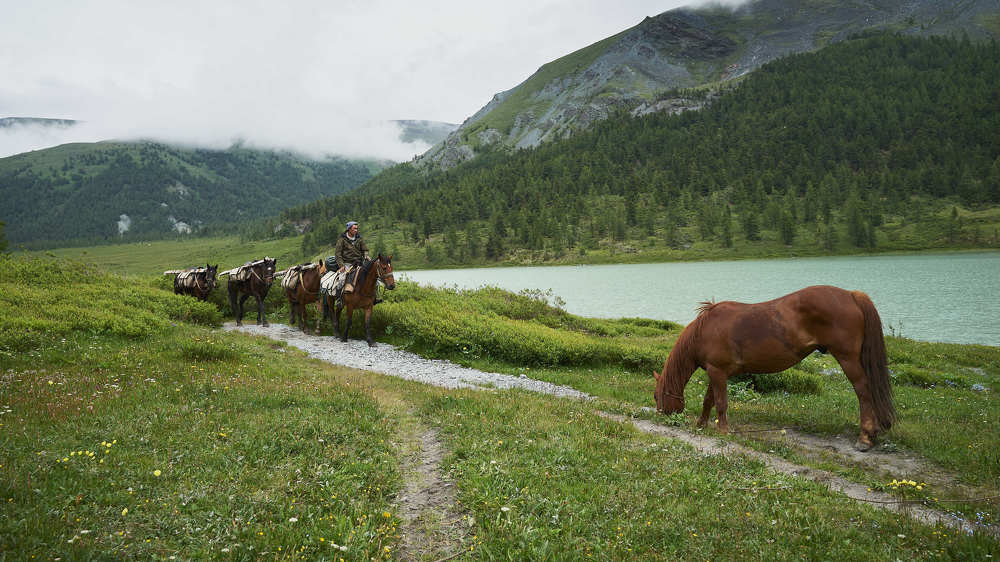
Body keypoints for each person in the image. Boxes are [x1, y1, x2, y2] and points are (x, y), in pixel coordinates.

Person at [334, 221, 369, 294]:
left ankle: (374, 297)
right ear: (349, 229)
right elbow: (338, 254)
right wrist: (341, 265)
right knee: (341, 279)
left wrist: (366, 255)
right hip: (347, 263)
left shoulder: (359, 238)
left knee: (371, 277)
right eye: (354, 229)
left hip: (359, 263)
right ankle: (339, 299)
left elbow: (365, 249)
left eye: (357, 228)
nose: (356, 230)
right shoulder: (342, 240)